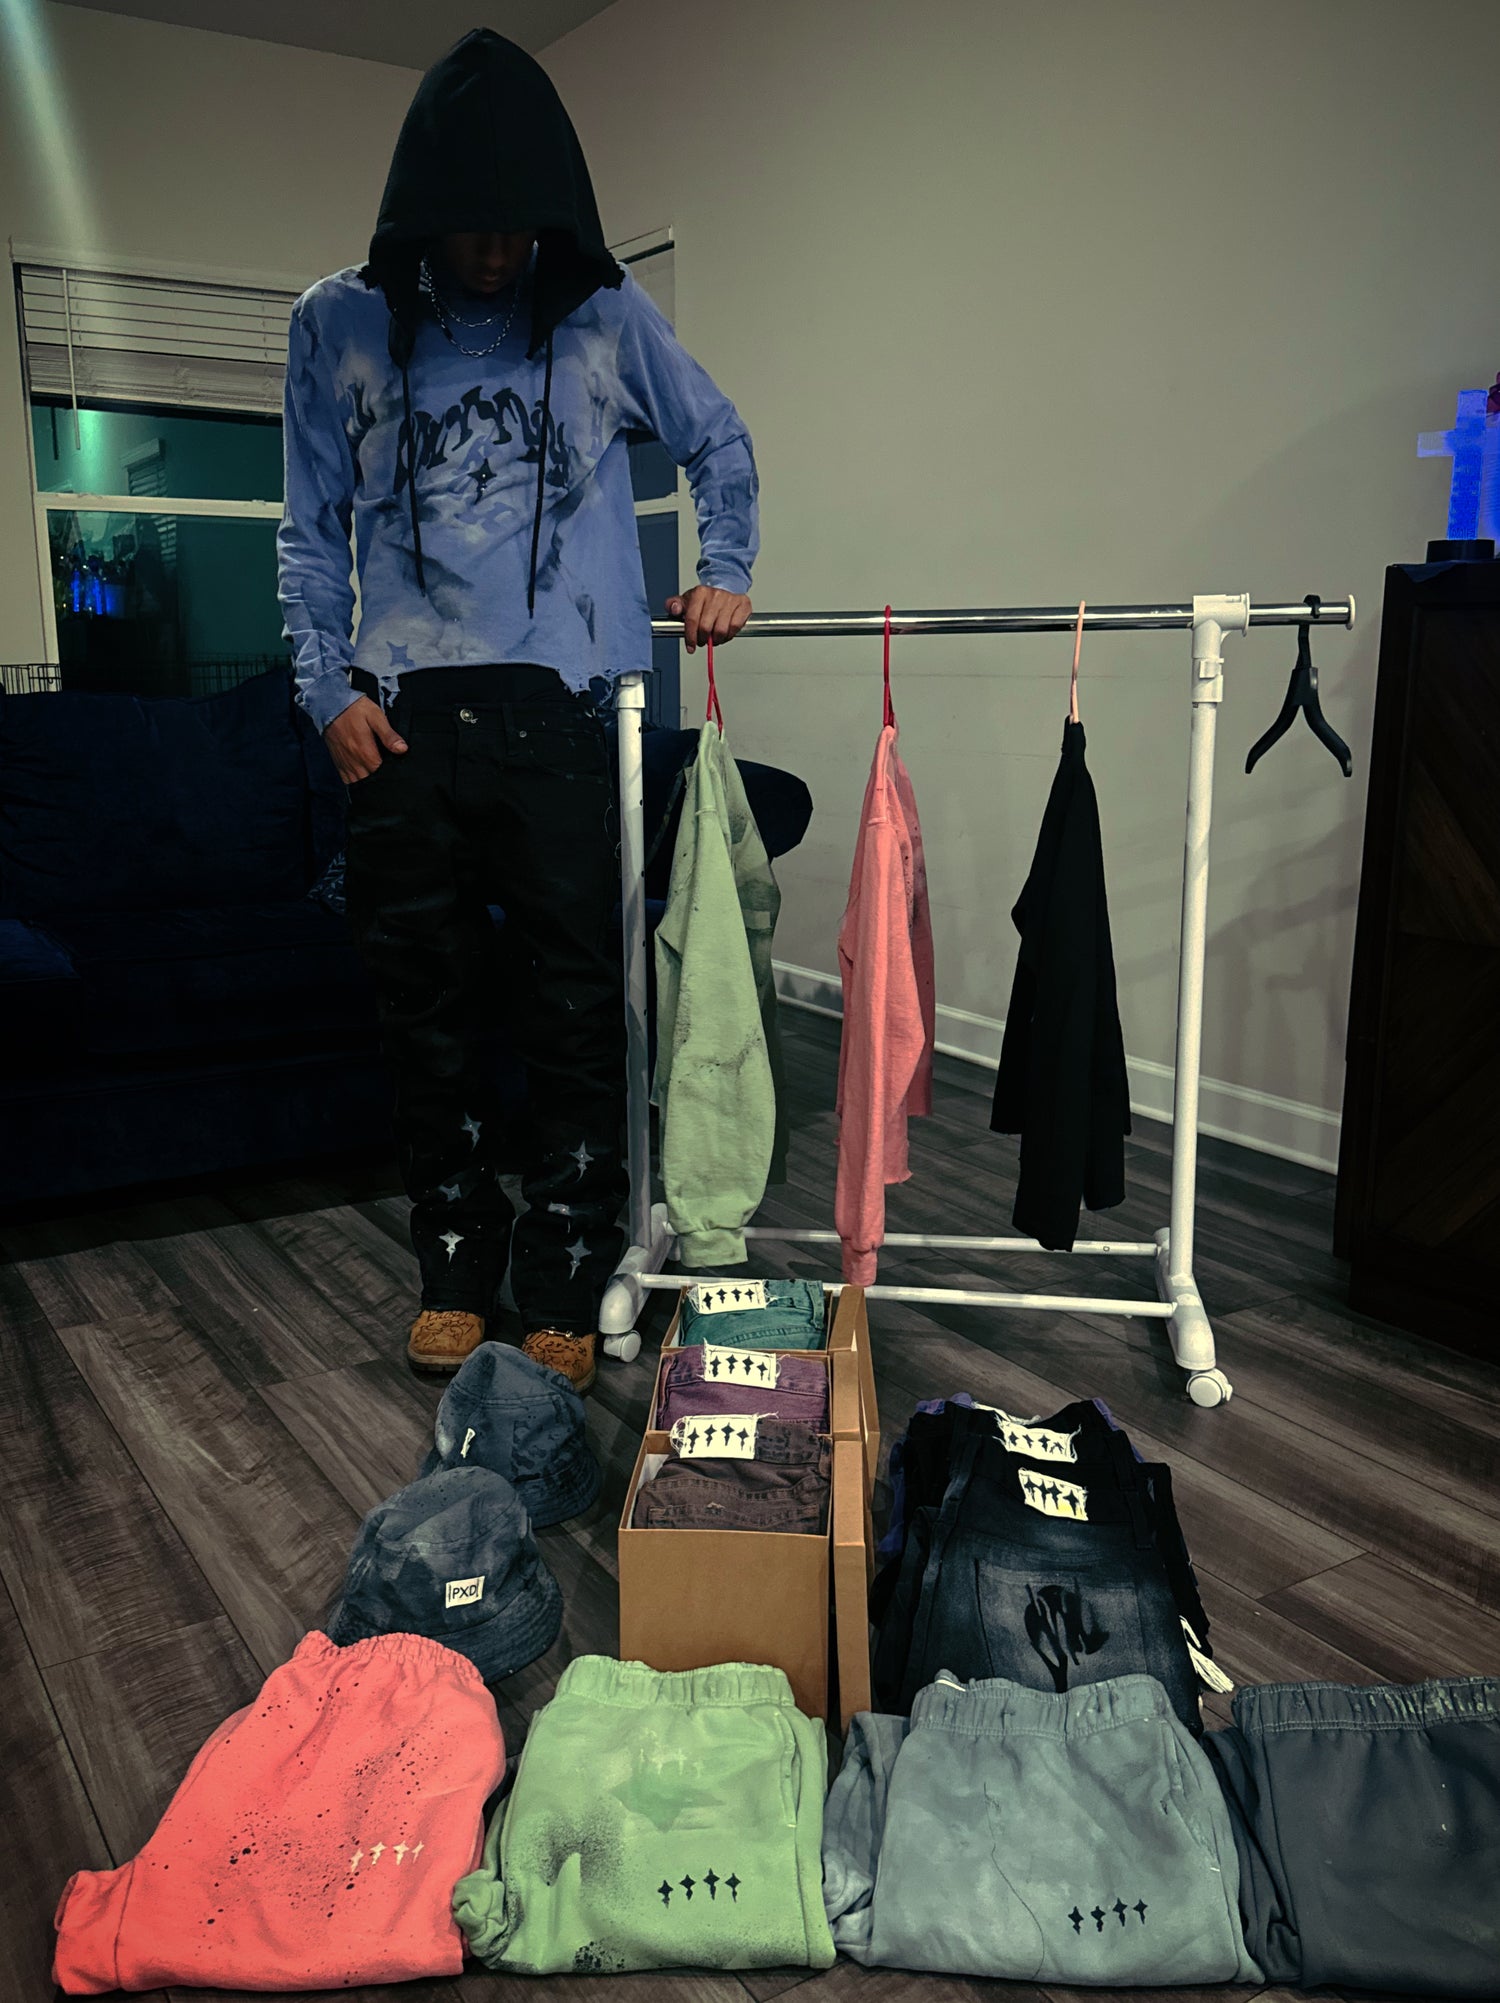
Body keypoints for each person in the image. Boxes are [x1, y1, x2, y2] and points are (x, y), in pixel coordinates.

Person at [276, 29, 757, 1391]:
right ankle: (452, 1266)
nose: (498, 251)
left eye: (521, 226)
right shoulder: (338, 324)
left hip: (563, 712)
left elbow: (719, 439)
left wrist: (724, 566)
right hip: (400, 720)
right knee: (424, 1015)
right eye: (473, 225)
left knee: (573, 1008)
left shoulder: (603, 315)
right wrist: (323, 691)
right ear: (422, 213)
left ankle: (565, 1273)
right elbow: (308, 525)